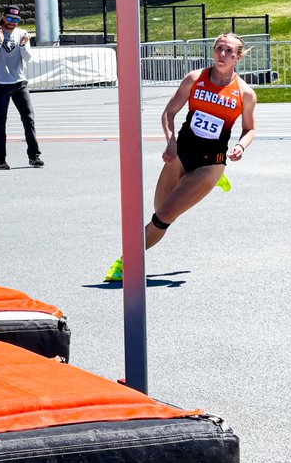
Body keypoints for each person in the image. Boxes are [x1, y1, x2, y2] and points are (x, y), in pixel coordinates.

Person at [104, 32, 256, 283]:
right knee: (161, 209)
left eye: (230, 51)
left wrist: (241, 146)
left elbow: (249, 128)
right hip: (181, 155)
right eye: (219, 48)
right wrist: (171, 142)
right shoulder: (195, 79)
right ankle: (202, 183)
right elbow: (169, 113)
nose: (223, 54)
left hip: (211, 163)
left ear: (238, 57)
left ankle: (126, 262)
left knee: (162, 218)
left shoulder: (244, 93)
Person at [0, 4, 43, 170]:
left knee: (28, 118)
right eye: (9, 19)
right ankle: (0, 160)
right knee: (0, 122)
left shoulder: (22, 33)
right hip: (1, 84)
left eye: (15, 20)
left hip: (19, 83)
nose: (12, 22)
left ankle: (34, 156)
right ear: (3, 17)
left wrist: (23, 45)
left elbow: (28, 58)